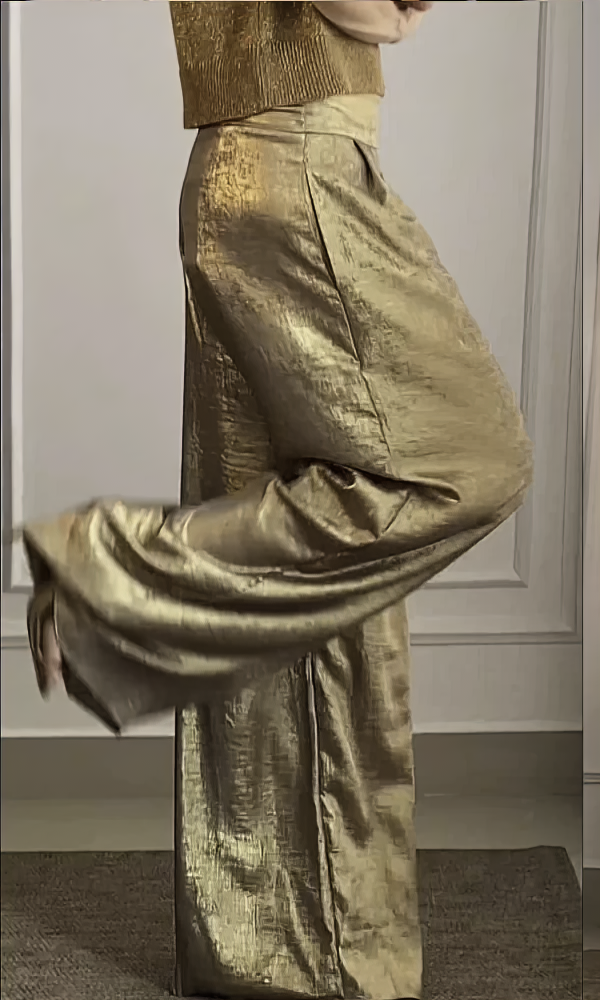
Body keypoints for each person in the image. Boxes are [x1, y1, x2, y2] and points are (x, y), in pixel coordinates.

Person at [23, 3, 532, 998]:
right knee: (470, 459)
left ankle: (280, 953)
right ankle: (107, 579)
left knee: (322, 569)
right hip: (301, 165)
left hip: (242, 172)